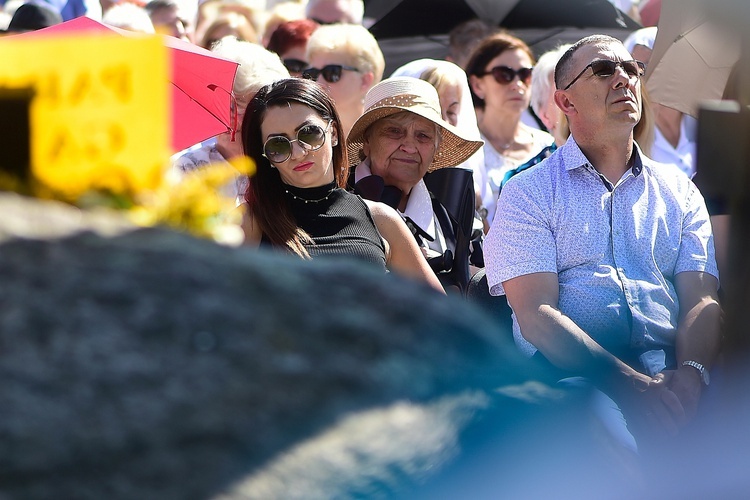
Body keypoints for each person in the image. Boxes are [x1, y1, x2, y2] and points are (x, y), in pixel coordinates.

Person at [485, 35, 721, 453]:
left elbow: (701, 298)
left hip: (672, 369)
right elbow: (536, 316)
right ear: (565, 103)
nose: (623, 79)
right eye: (603, 70)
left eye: (631, 69)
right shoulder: (528, 192)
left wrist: (691, 375)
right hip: (577, 377)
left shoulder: (679, 190)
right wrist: (631, 386)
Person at [240, 78, 444, 294]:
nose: (299, 153)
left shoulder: (381, 219)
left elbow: (445, 315)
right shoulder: (249, 222)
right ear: (266, 157)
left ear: (334, 133)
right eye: (278, 145)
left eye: (309, 133)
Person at [347, 77, 484, 292]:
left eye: (423, 136)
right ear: (367, 140)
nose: (410, 146)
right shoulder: (334, 198)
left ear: (436, 148)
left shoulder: (455, 210)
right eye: (394, 131)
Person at [173, 37, 289, 201]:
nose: (234, 117)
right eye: (225, 104)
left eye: (247, 107)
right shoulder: (187, 168)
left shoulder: (286, 166)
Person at [466, 32, 554, 226]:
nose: (517, 84)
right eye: (503, 75)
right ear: (477, 84)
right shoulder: (464, 147)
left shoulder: (547, 144)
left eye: (525, 74)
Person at [627, 26, 698, 178]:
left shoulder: (702, 120)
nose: (648, 75)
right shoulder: (630, 133)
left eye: (657, 64)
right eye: (638, 68)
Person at [304, 23, 384, 135]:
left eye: (332, 72)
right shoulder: (305, 134)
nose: (319, 83)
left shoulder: (384, 135)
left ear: (365, 80)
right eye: (312, 73)